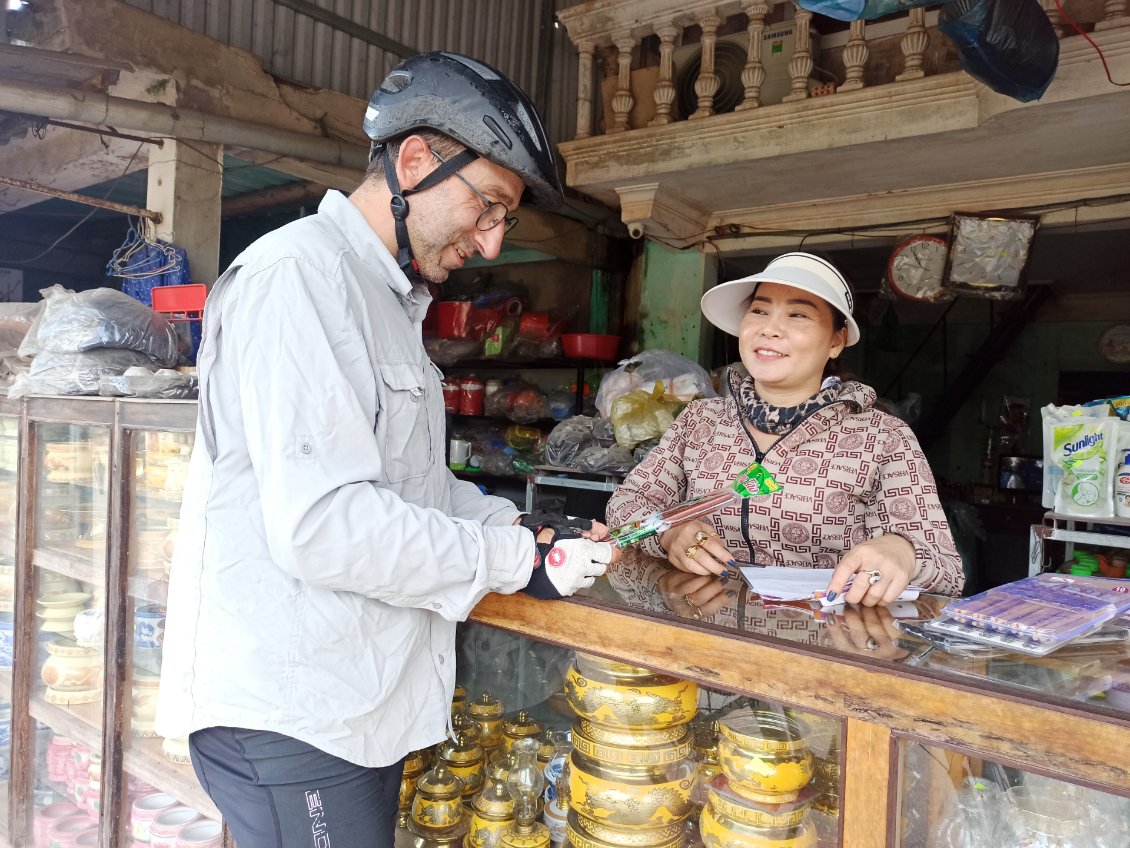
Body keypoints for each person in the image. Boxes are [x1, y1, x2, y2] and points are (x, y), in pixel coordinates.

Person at [156, 52, 620, 848]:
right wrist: (514, 566)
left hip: (348, 707)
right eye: (488, 208)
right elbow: (327, 525)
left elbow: (415, 489)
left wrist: (525, 527)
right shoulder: (301, 279)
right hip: (296, 718)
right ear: (415, 161)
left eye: (502, 220)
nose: (490, 243)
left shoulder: (385, 300)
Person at [606, 252, 963, 608]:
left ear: (836, 341)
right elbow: (627, 504)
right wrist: (668, 533)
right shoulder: (700, 421)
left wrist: (901, 550)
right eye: (759, 310)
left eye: (798, 314)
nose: (770, 328)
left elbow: (947, 570)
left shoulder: (883, 437)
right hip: (705, 634)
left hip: (824, 646)